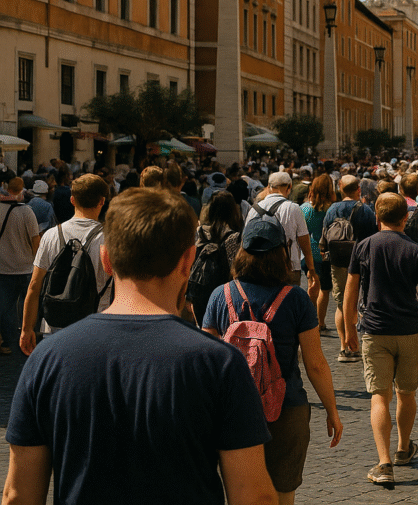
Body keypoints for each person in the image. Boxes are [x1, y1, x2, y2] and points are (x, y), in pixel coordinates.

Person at [5, 188, 277, 504]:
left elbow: (18, 495)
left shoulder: (47, 358)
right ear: (188, 260)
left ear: (106, 260)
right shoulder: (220, 363)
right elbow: (254, 495)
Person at [203, 214, 342, 504]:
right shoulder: (297, 299)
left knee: (241, 494)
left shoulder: (220, 295)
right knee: (282, 495)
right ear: (282, 253)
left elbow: (205, 359)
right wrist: (332, 410)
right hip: (286, 406)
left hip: (233, 410)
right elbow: (316, 363)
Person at [344, 192, 418, 485]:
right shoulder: (416, 250)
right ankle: (403, 447)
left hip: (374, 330)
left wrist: (348, 328)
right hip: (409, 330)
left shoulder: (363, 246)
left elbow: (350, 292)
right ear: (404, 218)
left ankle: (384, 463)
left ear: (377, 216)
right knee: (407, 393)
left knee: (379, 396)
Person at [21, 174, 110, 355]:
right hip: (97, 329)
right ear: (102, 201)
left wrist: (26, 328)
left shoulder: (51, 235)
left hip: (55, 329)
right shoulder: (111, 239)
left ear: (72, 200)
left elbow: (34, 286)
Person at [323, 174, 378, 362]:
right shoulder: (366, 210)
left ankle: (344, 346)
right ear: (358, 190)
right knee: (362, 301)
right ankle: (360, 344)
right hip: (362, 261)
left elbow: (324, 236)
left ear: (340, 189)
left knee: (341, 304)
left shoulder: (332, 210)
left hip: (338, 262)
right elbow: (373, 237)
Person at [246, 171, 317, 290]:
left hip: (259, 265)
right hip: (289, 265)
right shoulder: (293, 208)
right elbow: (304, 241)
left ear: (268, 187)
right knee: (288, 303)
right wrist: (311, 269)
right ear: (289, 187)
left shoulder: (254, 209)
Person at [191, 190, 244, 326]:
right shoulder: (233, 237)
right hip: (224, 294)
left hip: (200, 290)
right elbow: (235, 271)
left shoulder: (201, 231)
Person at [0, 178, 39, 357]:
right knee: (29, 305)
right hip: (27, 268)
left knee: (6, 309)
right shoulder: (26, 212)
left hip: (4, 269)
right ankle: (29, 338)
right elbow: (35, 242)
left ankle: (10, 342)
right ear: (22, 191)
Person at [300, 174, 335, 331]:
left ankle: (309, 319)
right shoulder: (332, 209)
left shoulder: (305, 209)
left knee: (311, 284)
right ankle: (320, 322)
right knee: (324, 289)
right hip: (325, 253)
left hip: (307, 251)